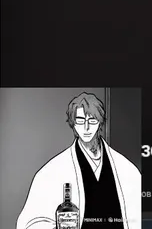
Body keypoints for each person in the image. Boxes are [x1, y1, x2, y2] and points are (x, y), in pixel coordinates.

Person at [16, 92, 142, 229]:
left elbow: (140, 218)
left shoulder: (126, 169)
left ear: (100, 122)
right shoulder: (52, 171)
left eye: (92, 121)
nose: (86, 127)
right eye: (80, 121)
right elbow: (30, 223)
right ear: (73, 123)